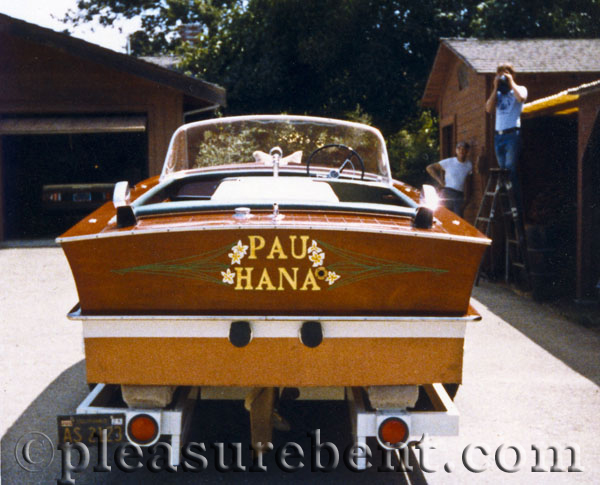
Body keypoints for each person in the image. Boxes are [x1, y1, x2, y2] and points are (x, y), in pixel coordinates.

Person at [485, 62, 528, 214]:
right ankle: (507, 207)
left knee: (510, 170)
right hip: (499, 136)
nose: (502, 77)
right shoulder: (497, 95)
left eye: (505, 74)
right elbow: (488, 108)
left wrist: (511, 82)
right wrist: (495, 87)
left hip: (512, 135)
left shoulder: (520, 89)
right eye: (499, 74)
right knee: (503, 173)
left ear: (512, 75)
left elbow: (521, 97)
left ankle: (516, 208)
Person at [426, 141, 473, 217]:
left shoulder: (469, 165)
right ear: (456, 151)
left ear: (467, 151)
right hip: (447, 193)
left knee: (458, 218)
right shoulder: (449, 161)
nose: (461, 151)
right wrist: (440, 181)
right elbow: (429, 168)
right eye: (459, 149)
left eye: (463, 149)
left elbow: (470, 182)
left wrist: (467, 199)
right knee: (444, 217)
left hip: (459, 195)